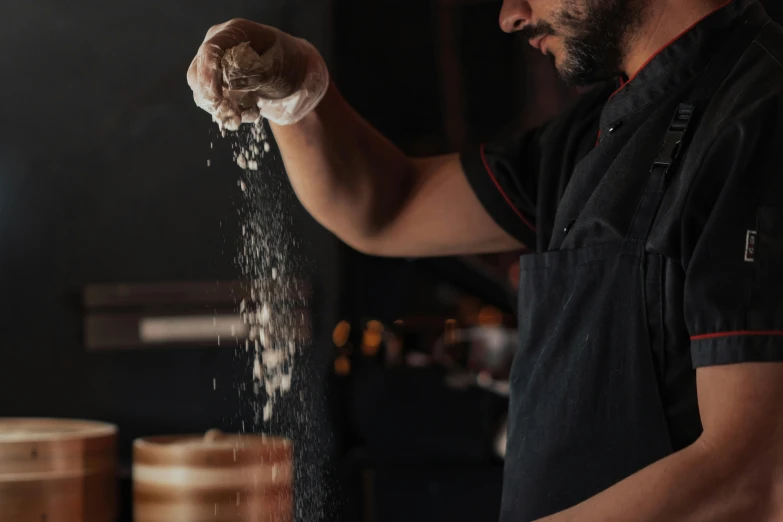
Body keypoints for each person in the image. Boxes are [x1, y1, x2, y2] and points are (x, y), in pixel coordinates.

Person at [187, 0, 783, 520]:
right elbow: (389, 208)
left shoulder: (759, 119)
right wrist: (299, 90)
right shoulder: (598, 131)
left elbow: (754, 480)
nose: (510, 15)